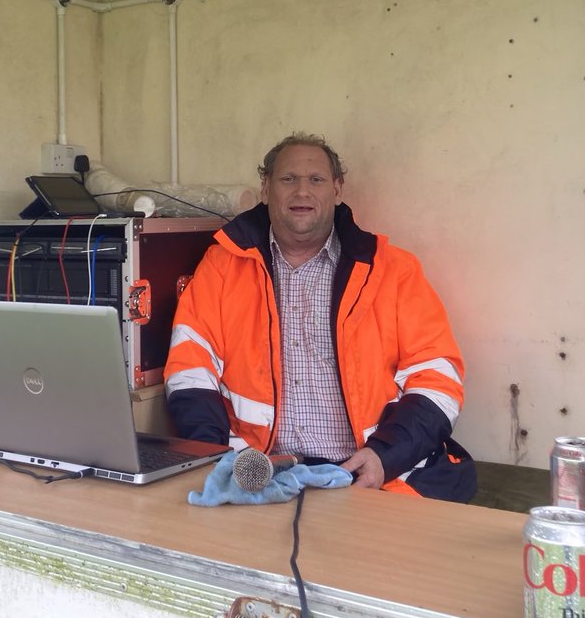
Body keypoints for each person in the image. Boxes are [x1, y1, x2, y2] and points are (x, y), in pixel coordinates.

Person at [164, 133, 475, 500]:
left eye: (316, 180)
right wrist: (219, 460)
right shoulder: (221, 267)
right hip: (261, 477)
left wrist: (385, 456)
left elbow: (438, 378)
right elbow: (190, 369)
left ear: (337, 189)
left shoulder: (394, 270)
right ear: (266, 188)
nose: (302, 192)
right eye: (288, 179)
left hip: (371, 477)